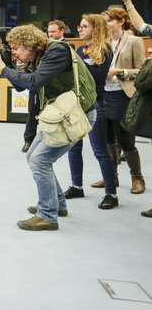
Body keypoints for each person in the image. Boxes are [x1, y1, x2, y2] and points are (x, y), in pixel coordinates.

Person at [0, 24, 97, 231]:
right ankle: (57, 205)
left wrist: (4, 70)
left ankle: (47, 215)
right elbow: (22, 85)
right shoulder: (40, 56)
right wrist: (13, 65)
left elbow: (34, 82)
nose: (14, 52)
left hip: (76, 116)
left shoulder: (56, 51)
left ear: (30, 44)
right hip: (61, 115)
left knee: (40, 160)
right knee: (33, 155)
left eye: (17, 48)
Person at [89, 8, 146, 194]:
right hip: (103, 95)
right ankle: (110, 176)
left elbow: (142, 70)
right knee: (107, 139)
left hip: (123, 95)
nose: (106, 25)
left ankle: (137, 178)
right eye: (104, 21)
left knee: (125, 139)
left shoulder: (134, 41)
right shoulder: (101, 43)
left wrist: (120, 72)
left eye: (109, 21)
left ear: (121, 22)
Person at [65, 14, 117, 208]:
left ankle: (111, 193)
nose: (80, 29)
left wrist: (77, 65)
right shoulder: (79, 49)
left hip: (97, 105)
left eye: (84, 26)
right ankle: (76, 186)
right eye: (79, 26)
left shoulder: (104, 49)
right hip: (78, 105)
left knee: (100, 151)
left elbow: (98, 76)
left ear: (96, 28)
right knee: (74, 148)